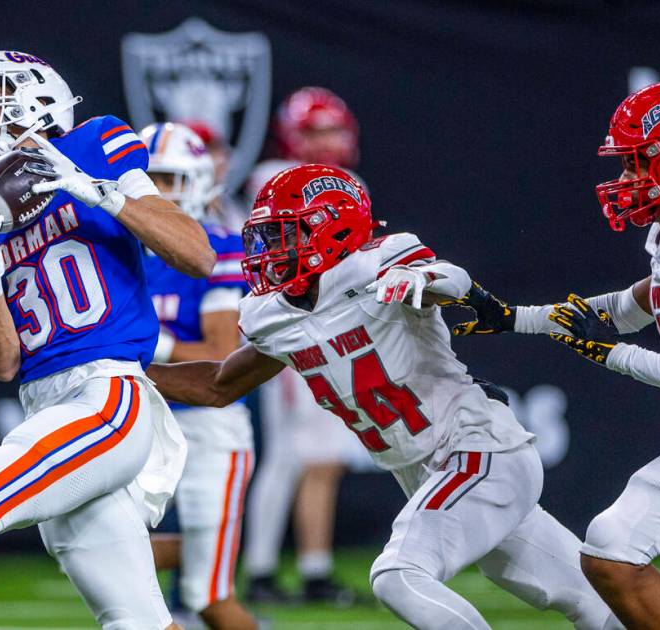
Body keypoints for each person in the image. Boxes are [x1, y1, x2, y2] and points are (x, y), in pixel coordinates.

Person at [147, 163, 626, 629]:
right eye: (268, 236)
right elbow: (216, 385)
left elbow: (453, 280)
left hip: (479, 451)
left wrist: (424, 279)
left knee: (398, 575)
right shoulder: (272, 316)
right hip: (427, 471)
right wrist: (120, 369)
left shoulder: (379, 264)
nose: (271, 251)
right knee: (595, 602)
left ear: (330, 231)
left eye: (285, 234)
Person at [0, 50, 214, 630]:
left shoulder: (95, 144)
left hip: (107, 395)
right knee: (141, 623)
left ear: (37, 94)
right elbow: (0, 363)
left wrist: (97, 191)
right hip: (46, 405)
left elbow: (197, 254)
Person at [451, 80, 660, 630]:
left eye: (636, 164)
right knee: (610, 551)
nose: (626, 179)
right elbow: (617, 311)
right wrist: (512, 317)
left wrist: (610, 356)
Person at [244, 87, 368, 604]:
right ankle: (280, 571)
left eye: (332, 129)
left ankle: (273, 570)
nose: (327, 142)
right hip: (294, 323)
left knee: (308, 458)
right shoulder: (271, 178)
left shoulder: (351, 183)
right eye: (316, 131)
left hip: (334, 324)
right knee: (300, 456)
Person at [139, 122, 257, 630]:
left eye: (167, 178)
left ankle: (211, 550)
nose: (155, 190)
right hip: (136, 420)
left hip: (208, 427)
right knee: (85, 546)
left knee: (208, 597)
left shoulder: (219, 249)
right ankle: (209, 547)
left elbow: (218, 354)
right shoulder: (113, 252)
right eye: (147, 177)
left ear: (199, 181)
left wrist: (144, 339)